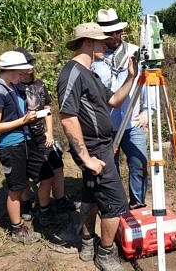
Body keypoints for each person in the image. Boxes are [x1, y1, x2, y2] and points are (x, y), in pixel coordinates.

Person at [56, 22, 137, 271]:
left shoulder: (90, 74)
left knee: (90, 198)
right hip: (95, 150)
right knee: (114, 204)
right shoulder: (72, 73)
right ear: (89, 43)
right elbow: (68, 118)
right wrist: (87, 158)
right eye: (102, 41)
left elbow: (112, 100)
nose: (106, 44)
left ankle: (87, 243)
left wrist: (132, 77)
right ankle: (105, 254)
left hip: (101, 145)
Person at [0, 51, 57, 244]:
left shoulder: (13, 86)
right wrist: (23, 120)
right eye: (20, 72)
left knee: (46, 176)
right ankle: (17, 229)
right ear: (9, 70)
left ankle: (44, 213)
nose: (23, 76)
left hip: (27, 141)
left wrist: (34, 116)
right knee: (16, 188)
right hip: (12, 145)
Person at [92, 8, 154, 209]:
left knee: (139, 163)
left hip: (132, 122)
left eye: (118, 31)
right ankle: (115, 206)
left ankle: (137, 203)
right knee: (111, 169)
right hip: (106, 125)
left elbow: (147, 83)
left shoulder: (135, 52)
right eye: (110, 33)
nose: (115, 36)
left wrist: (148, 110)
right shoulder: (95, 58)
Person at [14, 47, 77, 218]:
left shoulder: (39, 85)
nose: (30, 67)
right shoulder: (14, 87)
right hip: (24, 136)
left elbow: (47, 109)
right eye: (26, 64)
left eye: (31, 63)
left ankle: (60, 199)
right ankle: (27, 204)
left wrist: (49, 132)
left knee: (57, 166)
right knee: (27, 173)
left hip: (41, 134)